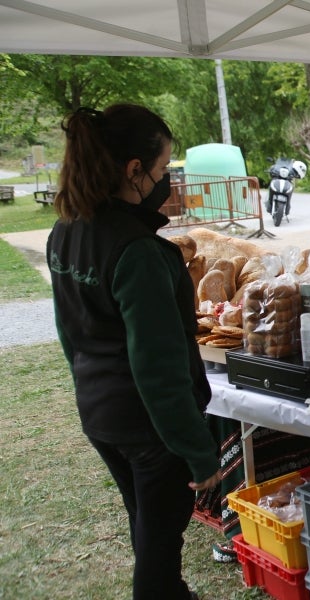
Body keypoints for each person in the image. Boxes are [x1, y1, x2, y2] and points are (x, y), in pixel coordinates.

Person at [46, 104, 221, 600]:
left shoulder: (66, 229)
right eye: (164, 169)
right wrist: (196, 450)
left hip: (101, 414)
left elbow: (70, 334)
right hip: (150, 429)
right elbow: (159, 369)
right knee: (159, 548)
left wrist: (92, 390)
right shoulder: (139, 251)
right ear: (134, 170)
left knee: (147, 526)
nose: (167, 181)